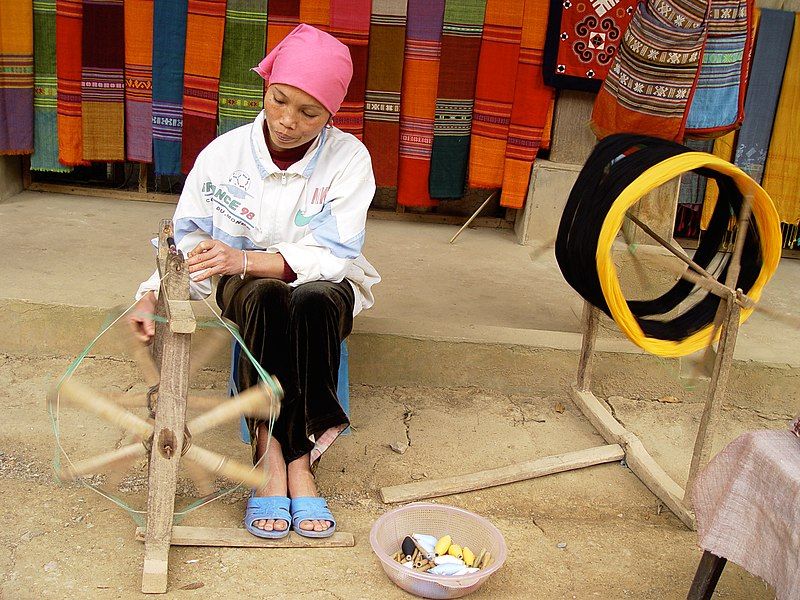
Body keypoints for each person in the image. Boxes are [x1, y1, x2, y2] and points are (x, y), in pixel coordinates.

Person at [127, 24, 379, 539]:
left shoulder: (349, 160)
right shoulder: (224, 155)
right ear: (265, 86)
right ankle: (274, 458)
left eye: (308, 113)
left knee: (310, 300)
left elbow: (332, 255)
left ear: (332, 115)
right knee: (264, 298)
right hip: (248, 289)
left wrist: (244, 259)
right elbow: (188, 238)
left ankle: (298, 462)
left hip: (323, 287)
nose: (287, 122)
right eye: (279, 100)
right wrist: (152, 291)